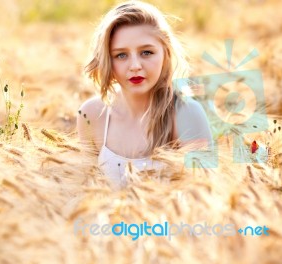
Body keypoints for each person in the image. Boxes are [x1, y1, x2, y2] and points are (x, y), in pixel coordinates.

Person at [77, 1, 212, 188]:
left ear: (166, 53)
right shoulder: (91, 114)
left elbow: (204, 198)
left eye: (146, 52)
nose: (135, 66)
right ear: (108, 60)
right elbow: (87, 193)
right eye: (121, 55)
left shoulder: (187, 114)